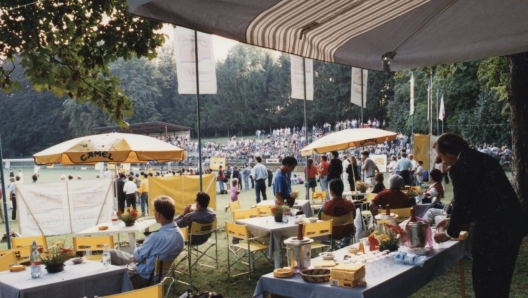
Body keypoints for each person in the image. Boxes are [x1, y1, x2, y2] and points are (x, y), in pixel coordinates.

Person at [432, 133, 524, 298]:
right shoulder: (482, 158)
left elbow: (462, 202)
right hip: (511, 226)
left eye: (441, 157)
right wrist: (453, 219)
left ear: (449, 153)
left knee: (484, 281)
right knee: (501, 281)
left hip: (493, 230)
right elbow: (476, 199)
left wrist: (449, 233)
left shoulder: (459, 167)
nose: (442, 162)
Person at [109, 195, 184, 289]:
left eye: (154, 210)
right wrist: (145, 259)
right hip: (156, 273)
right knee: (111, 253)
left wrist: (143, 258)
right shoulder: (180, 235)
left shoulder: (155, 237)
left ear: (158, 214)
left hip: (142, 276)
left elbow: (136, 258)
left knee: (108, 274)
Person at [318, 179, 355, 248]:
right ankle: (343, 246)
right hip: (346, 232)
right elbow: (354, 217)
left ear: (331, 192)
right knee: (350, 229)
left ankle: (335, 246)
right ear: (342, 190)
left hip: (331, 233)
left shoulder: (325, 206)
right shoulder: (350, 205)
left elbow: (320, 219)